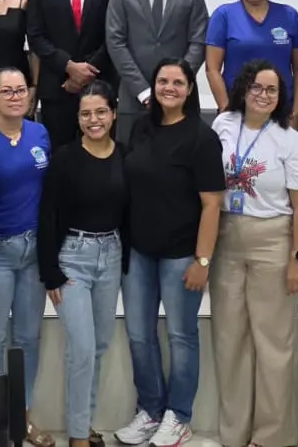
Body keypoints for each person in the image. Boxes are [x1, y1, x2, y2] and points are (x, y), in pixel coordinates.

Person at [114, 59, 223, 447]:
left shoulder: (202, 138)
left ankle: (179, 416)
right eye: (163, 81)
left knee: (181, 336)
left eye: (178, 82)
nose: (169, 88)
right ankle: (151, 410)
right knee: (139, 335)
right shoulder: (141, 128)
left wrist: (203, 260)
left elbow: (212, 205)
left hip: (181, 255)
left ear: (189, 90)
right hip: (139, 253)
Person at [208, 60, 298, 447]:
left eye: (272, 89)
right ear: (243, 88)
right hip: (227, 237)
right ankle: (233, 433)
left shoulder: (288, 137)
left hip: (273, 239)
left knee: (274, 343)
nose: (264, 95)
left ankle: (271, 437)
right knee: (230, 339)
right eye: (257, 87)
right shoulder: (223, 124)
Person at [38, 81, 125, 447]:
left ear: (113, 114)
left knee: (99, 345)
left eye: (101, 112)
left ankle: (84, 424)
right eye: (86, 114)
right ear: (78, 118)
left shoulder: (124, 154)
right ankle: (77, 437)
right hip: (73, 257)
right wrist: (50, 273)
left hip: (112, 254)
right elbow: (49, 215)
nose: (94, 120)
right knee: (84, 350)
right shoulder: (65, 158)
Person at [0, 68, 50, 445]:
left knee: (28, 337)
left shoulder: (40, 134)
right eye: (7, 91)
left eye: (21, 90)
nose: (16, 96)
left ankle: (23, 416)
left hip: (34, 251)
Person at [105, 0, 209, 142]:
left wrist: (177, 84)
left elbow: (198, 41)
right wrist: (144, 91)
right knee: (132, 165)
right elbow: (115, 41)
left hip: (181, 101)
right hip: (134, 97)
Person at [26, 0, 121, 145]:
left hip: (100, 85)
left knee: (102, 153)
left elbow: (115, 34)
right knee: (59, 157)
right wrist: (68, 66)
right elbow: (36, 36)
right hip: (58, 88)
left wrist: (85, 73)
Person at [204, 0, 298, 127]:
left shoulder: (289, 15)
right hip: (237, 112)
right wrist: (225, 108)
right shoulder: (223, 16)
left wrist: (296, 111)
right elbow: (212, 69)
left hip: (281, 112)